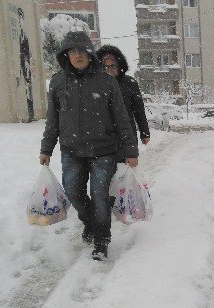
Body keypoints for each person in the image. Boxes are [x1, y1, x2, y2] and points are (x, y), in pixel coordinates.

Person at [39, 31, 138, 261]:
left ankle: (101, 240)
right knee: (73, 192)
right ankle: (91, 222)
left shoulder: (106, 81)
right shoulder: (58, 82)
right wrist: (46, 148)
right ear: (66, 55)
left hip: (104, 151)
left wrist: (131, 151)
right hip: (71, 151)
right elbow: (53, 119)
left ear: (90, 53)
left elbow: (122, 119)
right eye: (72, 52)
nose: (77, 55)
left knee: (100, 195)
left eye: (82, 51)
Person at [96, 45, 150, 148]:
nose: (109, 70)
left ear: (119, 66)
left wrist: (144, 133)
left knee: (125, 164)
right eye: (106, 67)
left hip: (127, 137)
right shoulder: (96, 85)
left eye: (113, 66)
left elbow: (139, 111)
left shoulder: (130, 83)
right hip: (103, 138)